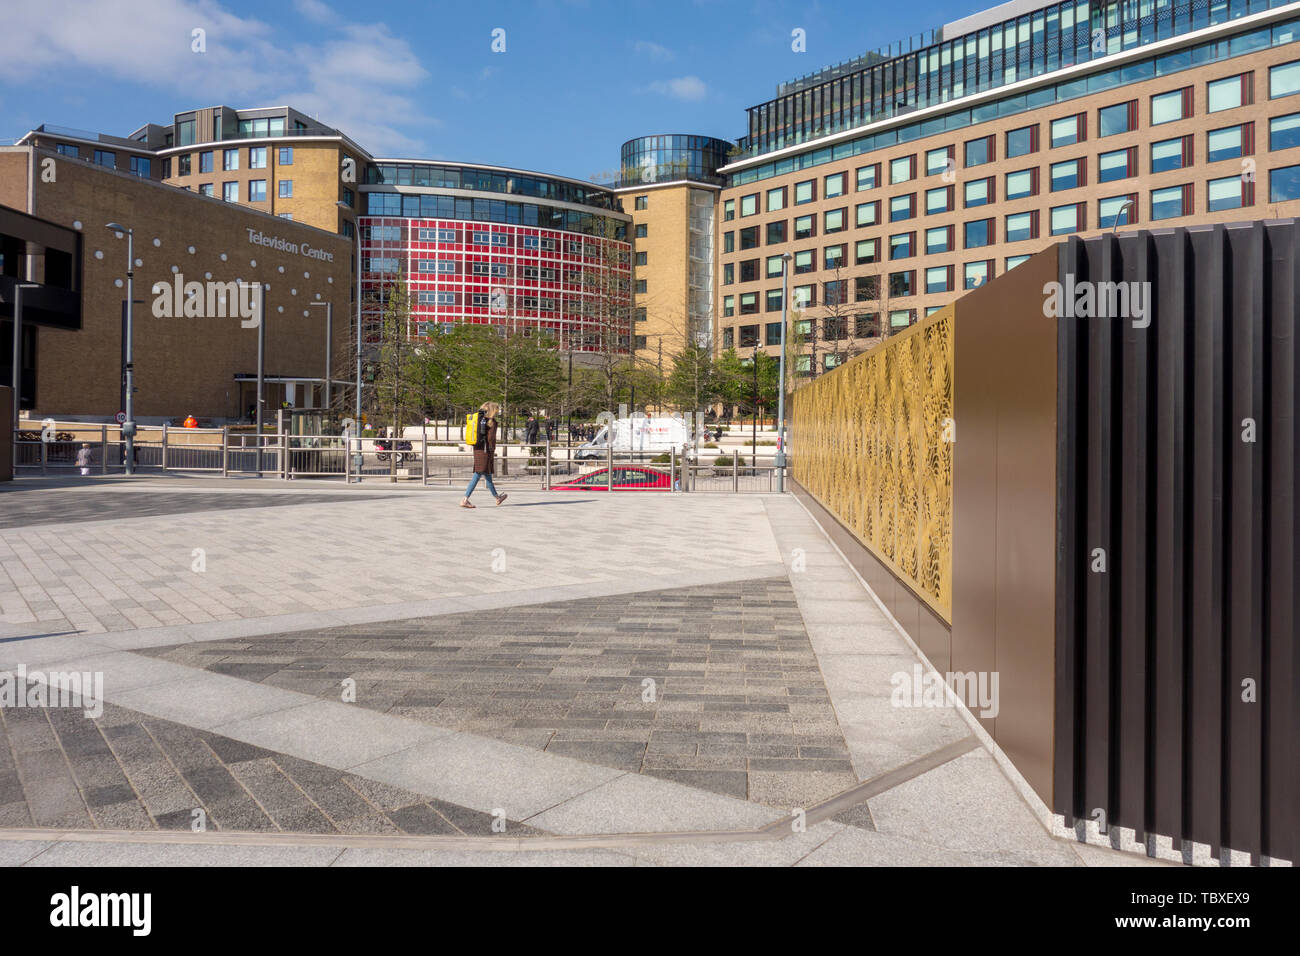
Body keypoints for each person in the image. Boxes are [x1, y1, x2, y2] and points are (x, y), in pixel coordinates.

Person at [462, 401, 508, 509]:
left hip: (477, 449)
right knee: (478, 474)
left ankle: (497, 498)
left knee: (487, 474)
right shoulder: (492, 422)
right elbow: (491, 438)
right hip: (486, 451)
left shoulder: (479, 420)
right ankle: (465, 499)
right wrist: (492, 449)